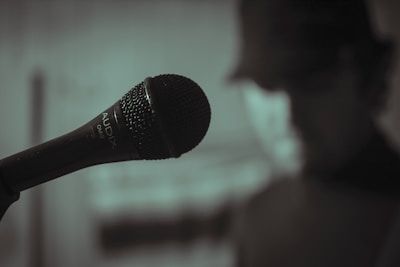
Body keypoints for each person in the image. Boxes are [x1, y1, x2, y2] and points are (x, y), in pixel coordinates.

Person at [230, 0, 400, 266]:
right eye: (268, 85)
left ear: (371, 76)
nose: (289, 114)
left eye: (311, 81)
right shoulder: (256, 216)